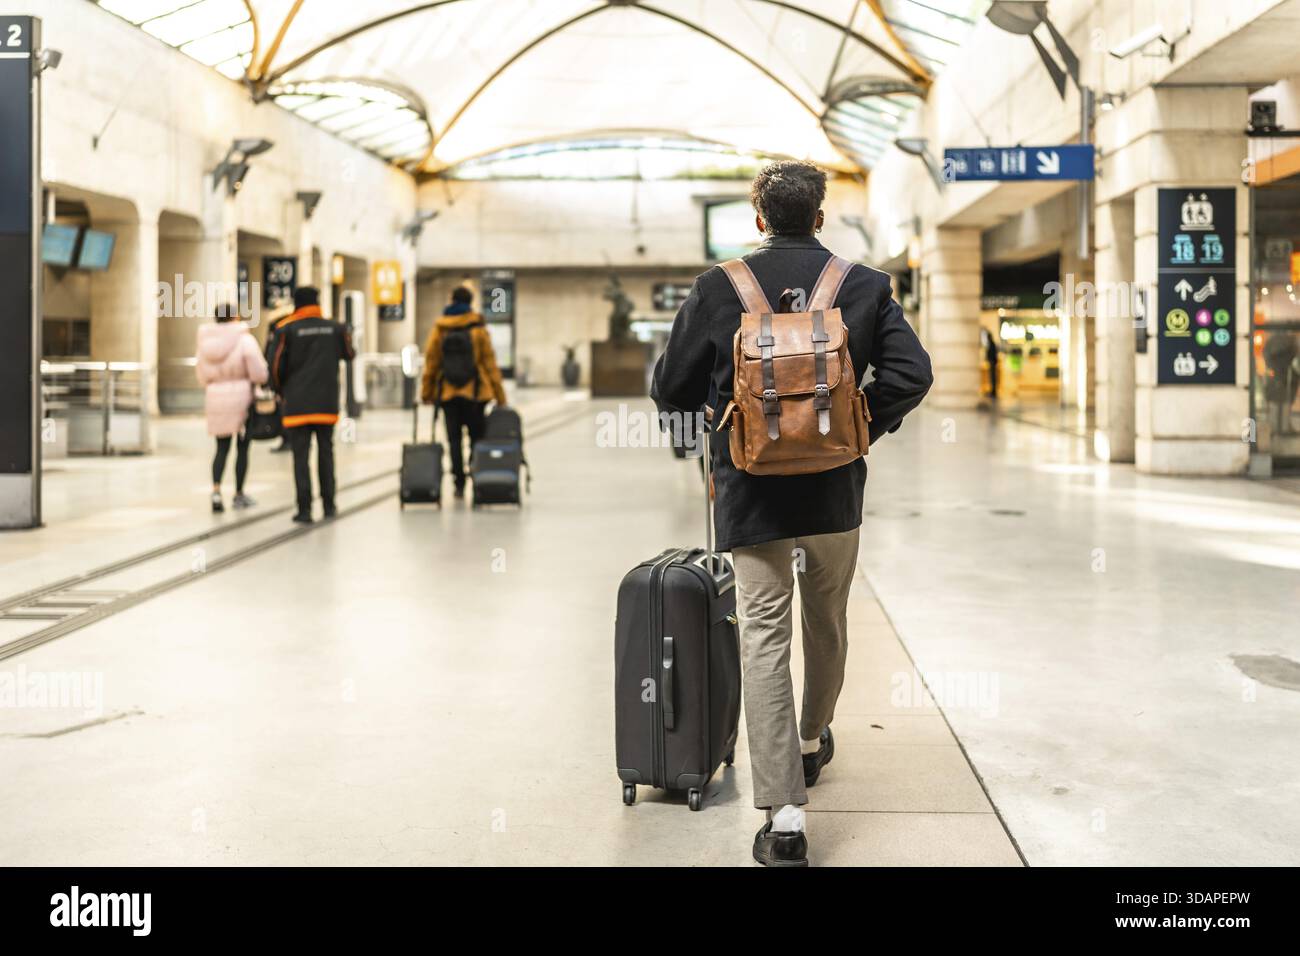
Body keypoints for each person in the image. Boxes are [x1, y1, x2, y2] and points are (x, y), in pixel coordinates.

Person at [651, 160, 932, 867]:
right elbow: (913, 373)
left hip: (751, 493)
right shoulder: (863, 286)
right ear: (820, 216)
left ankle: (784, 819)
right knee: (827, 623)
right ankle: (811, 740)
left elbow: (672, 387)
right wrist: (860, 422)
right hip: (836, 490)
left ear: (756, 220)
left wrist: (708, 441)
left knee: (765, 640)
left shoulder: (720, 288)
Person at [270, 287, 356, 524]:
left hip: (296, 403)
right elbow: (349, 354)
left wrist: (280, 391)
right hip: (326, 402)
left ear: (296, 303)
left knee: (301, 457)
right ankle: (329, 504)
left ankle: (304, 509)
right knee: (326, 453)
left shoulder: (285, 329)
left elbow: (275, 368)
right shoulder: (335, 328)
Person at [420, 286, 508, 499]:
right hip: (475, 393)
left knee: (454, 440)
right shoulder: (477, 328)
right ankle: (477, 475)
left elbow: (431, 362)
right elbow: (489, 364)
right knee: (477, 437)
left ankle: (458, 482)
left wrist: (427, 392)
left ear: (451, 300)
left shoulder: (441, 328)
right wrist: (500, 396)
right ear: (470, 302)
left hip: (448, 394)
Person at [195, 303, 268, 513]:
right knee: (243, 448)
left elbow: (201, 373)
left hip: (215, 397)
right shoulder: (244, 339)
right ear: (234, 316)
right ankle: (238, 493)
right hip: (242, 398)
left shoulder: (205, 341)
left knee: (221, 447)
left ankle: (216, 491)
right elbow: (258, 372)